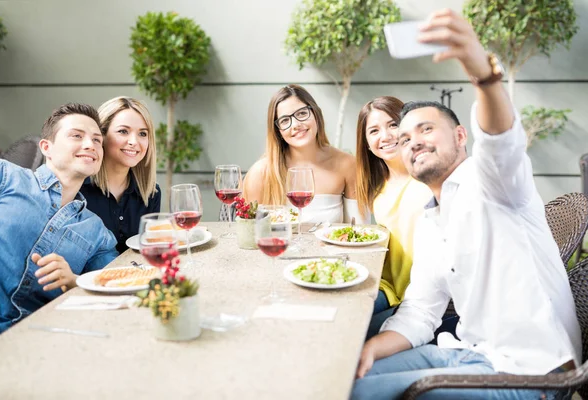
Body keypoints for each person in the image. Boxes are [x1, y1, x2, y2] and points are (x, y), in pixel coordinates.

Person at [351, 9, 580, 400]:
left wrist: (484, 74)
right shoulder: (431, 218)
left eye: (426, 129)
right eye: (405, 139)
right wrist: (371, 347)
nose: (414, 141)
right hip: (464, 352)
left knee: (359, 396)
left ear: (460, 136)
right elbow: (421, 311)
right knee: (346, 379)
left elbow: (501, 139)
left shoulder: (493, 181)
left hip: (530, 373)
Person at [0, 103, 118, 341]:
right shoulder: (1, 176)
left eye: (97, 140)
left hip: (43, 343)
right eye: (77, 136)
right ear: (47, 147)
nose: (90, 145)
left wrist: (73, 281)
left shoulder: (98, 233)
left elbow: (110, 291)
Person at [355, 96, 443, 340]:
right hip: (384, 288)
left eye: (393, 125)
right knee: (338, 317)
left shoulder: (431, 177)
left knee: (351, 335)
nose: (385, 136)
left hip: (422, 300)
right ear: (367, 144)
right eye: (374, 130)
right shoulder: (375, 189)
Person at [244, 84, 369, 224]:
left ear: (316, 114)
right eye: (285, 120)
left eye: (302, 113)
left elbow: (359, 229)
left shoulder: (348, 164)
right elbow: (249, 235)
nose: (296, 124)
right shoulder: (260, 173)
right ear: (278, 131)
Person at [81, 96, 160, 253]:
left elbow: (145, 253)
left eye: (143, 134)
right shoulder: (78, 191)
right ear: (101, 135)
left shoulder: (150, 193)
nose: (134, 141)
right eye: (123, 131)